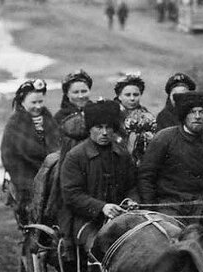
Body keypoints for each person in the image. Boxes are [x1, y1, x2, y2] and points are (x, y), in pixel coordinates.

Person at [137, 91, 203, 222]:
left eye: (202, 112)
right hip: (170, 204)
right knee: (169, 231)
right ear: (184, 116)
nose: (197, 116)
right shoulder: (164, 138)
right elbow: (146, 176)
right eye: (192, 112)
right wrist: (150, 209)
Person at [58, 99, 138, 250]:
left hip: (120, 218)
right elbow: (71, 194)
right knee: (102, 248)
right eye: (99, 127)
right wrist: (102, 207)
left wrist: (131, 201)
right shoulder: (75, 156)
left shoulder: (122, 155)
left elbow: (132, 186)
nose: (104, 132)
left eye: (109, 127)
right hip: (86, 220)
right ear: (89, 129)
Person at [0, 78, 60, 225]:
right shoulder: (15, 123)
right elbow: (17, 155)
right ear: (22, 102)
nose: (38, 106)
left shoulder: (47, 118)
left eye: (40, 101)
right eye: (33, 102)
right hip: (25, 177)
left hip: (49, 174)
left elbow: (57, 144)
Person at [114, 73, 156, 165]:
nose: (132, 98)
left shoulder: (147, 116)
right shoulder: (112, 114)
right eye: (127, 95)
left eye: (136, 95)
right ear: (119, 96)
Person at [56, 70, 93, 154]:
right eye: (75, 92)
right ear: (67, 94)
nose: (80, 96)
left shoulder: (98, 112)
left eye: (84, 91)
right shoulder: (60, 117)